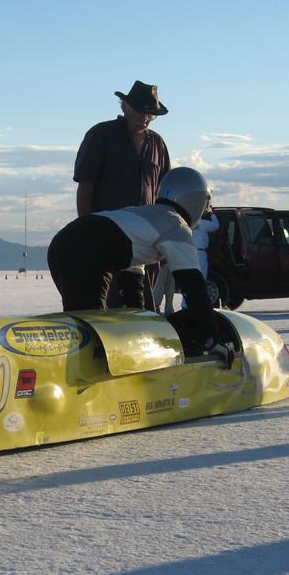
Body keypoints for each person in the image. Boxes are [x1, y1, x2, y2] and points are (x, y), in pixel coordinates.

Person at [48, 167, 230, 363]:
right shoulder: (176, 225)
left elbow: (132, 282)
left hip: (66, 241)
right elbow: (193, 286)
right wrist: (211, 338)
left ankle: (76, 360)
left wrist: (137, 326)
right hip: (86, 248)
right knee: (90, 327)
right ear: (197, 202)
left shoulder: (146, 217)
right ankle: (85, 367)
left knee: (82, 321)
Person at [73, 80, 171, 308]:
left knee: (143, 306)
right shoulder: (101, 135)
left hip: (146, 240)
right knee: (107, 304)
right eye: (140, 110)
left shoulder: (157, 143)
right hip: (108, 236)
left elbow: (165, 193)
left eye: (150, 114)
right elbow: (85, 185)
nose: (145, 117)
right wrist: (85, 228)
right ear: (125, 106)